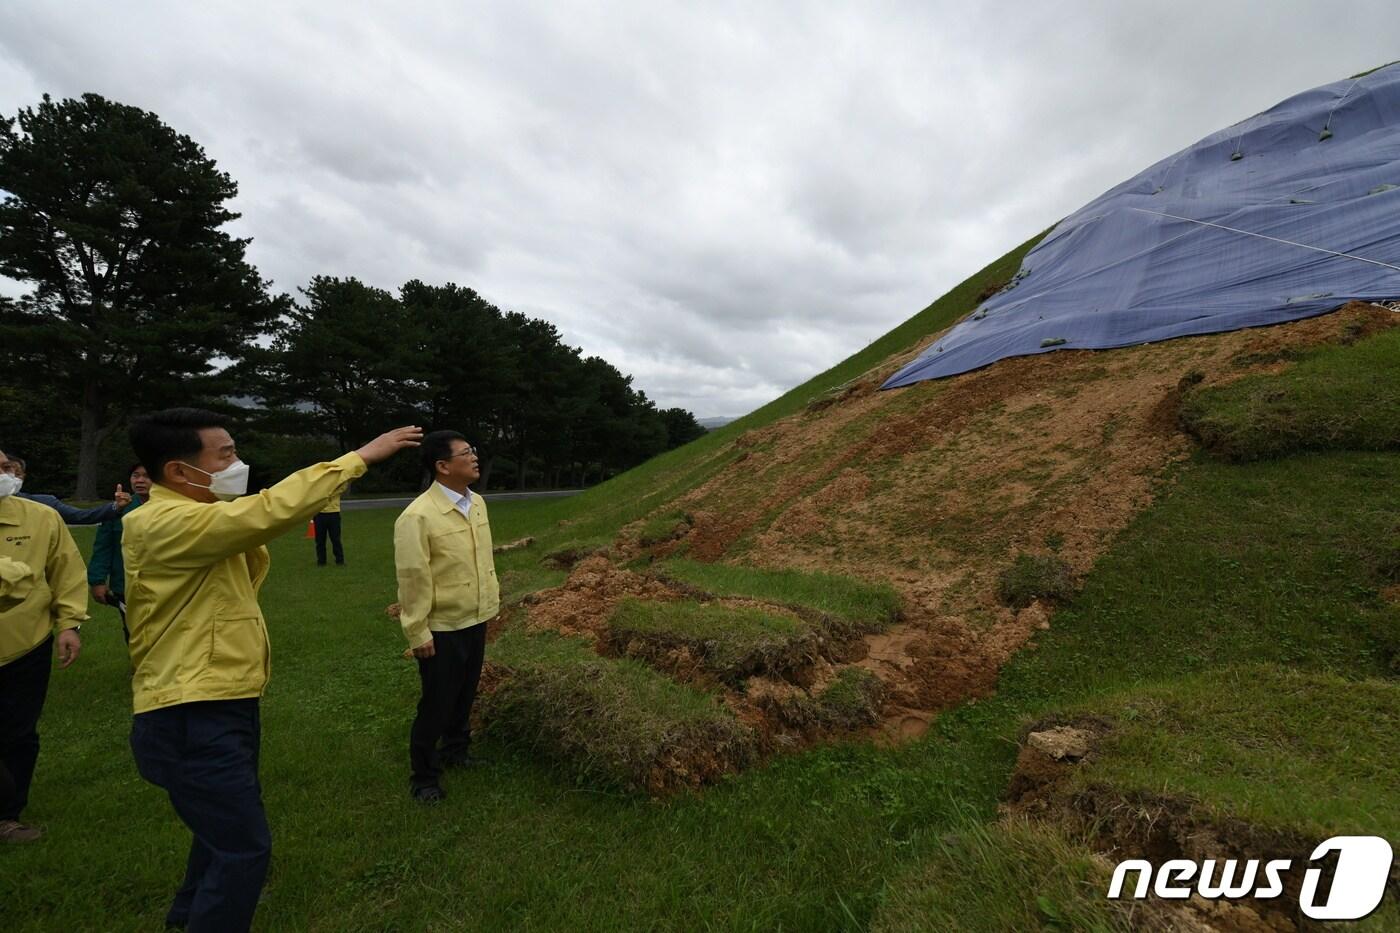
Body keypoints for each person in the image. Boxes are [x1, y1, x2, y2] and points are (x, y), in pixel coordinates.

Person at [123, 408, 421, 932]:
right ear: (178, 471)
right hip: (190, 712)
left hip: (218, 701)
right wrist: (357, 459)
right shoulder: (161, 522)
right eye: (226, 454)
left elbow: (253, 522)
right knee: (243, 849)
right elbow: (262, 514)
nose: (238, 463)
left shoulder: (198, 517)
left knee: (219, 834)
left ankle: (185, 919)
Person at [394, 431, 499, 804]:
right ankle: (424, 776)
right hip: (441, 628)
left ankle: (457, 750)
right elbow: (412, 578)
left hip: (475, 617)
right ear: (442, 466)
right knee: (437, 702)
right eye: (466, 453)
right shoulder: (418, 516)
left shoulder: (479, 503)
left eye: (473, 450)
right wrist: (417, 631)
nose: (474, 457)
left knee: (465, 693)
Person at [0, 446, 87, 844]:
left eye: (6, 467)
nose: (5, 474)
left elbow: (67, 571)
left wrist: (70, 624)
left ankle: (7, 816)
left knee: (18, 733)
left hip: (25, 645)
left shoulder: (41, 517)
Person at [87, 463, 152, 642]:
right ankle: (139, 668)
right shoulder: (119, 508)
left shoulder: (174, 507)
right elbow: (103, 546)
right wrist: (97, 580)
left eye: (146, 476)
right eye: (135, 476)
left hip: (165, 583)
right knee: (133, 631)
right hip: (126, 584)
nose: (139, 480)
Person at [11, 456, 130, 525]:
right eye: (5, 471)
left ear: (24, 476)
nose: (10, 477)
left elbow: (82, 516)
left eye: (17, 473)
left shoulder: (44, 504)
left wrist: (116, 506)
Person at [313, 485, 345, 566]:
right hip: (319, 514)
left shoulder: (338, 484)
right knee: (320, 540)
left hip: (334, 514)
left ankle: (340, 561)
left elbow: (343, 486)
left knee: (335, 539)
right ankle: (321, 561)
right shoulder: (318, 485)